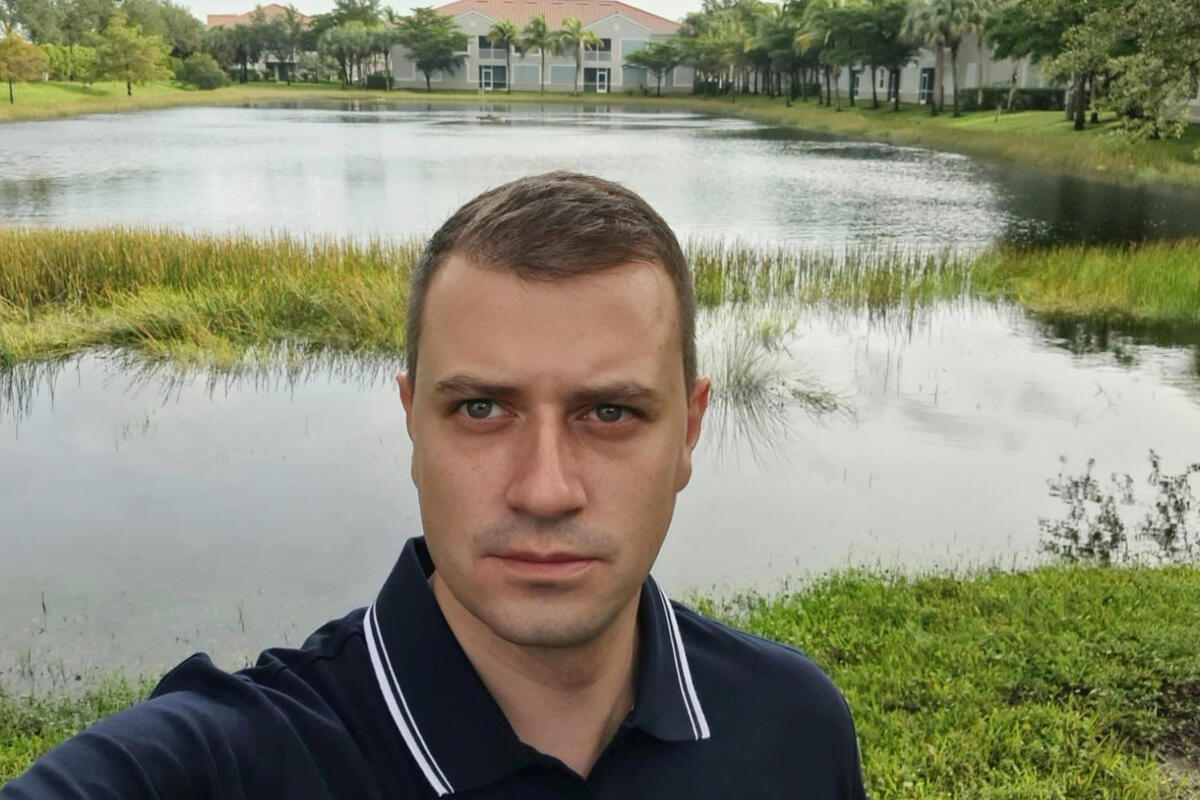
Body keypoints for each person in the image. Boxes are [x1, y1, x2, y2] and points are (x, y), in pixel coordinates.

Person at [2, 172, 867, 799]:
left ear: (690, 431)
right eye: (482, 408)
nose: (545, 490)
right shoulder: (234, 760)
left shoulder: (792, 727)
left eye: (609, 412)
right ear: (413, 422)